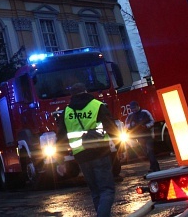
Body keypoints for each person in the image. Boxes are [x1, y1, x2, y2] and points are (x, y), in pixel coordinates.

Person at [59, 82, 120, 217]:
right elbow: (112, 129)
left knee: (96, 192)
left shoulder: (66, 112)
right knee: (107, 190)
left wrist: (61, 160)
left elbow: (60, 138)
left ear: (72, 96)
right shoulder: (97, 106)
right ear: (86, 91)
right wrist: (117, 148)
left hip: (81, 156)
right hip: (100, 153)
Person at [125, 100, 160, 173]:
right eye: (132, 109)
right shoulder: (130, 116)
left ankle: (154, 168)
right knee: (146, 153)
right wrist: (131, 126)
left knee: (150, 151)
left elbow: (152, 121)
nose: (133, 110)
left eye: (134, 108)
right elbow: (126, 125)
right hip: (139, 137)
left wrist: (145, 126)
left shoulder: (145, 113)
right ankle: (155, 167)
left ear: (138, 106)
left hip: (148, 135)